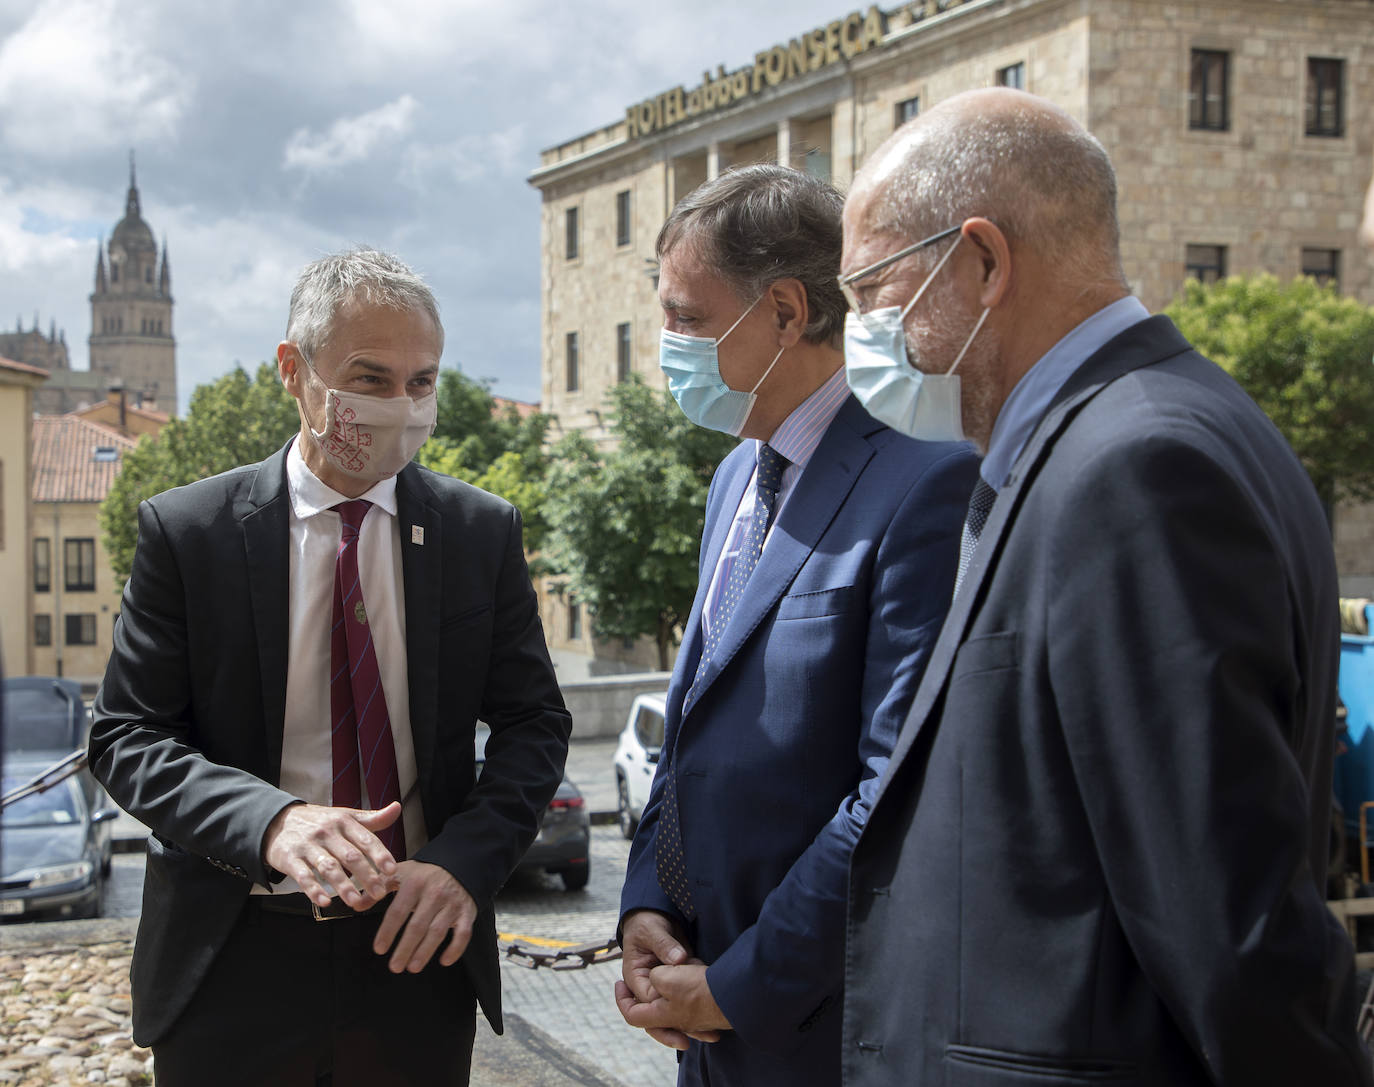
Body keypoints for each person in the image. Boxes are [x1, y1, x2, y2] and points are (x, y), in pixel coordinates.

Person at [838, 88, 1372, 1084]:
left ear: (985, 261)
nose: (862, 334)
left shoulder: (1136, 468)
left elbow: (1229, 921)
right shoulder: (1120, 434)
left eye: (870, 290)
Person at [89, 247, 571, 1086]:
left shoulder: (478, 531)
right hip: (231, 956)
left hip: (416, 956)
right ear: (293, 369)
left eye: (422, 382)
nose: (400, 406)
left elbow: (534, 724)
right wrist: (273, 822)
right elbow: (127, 736)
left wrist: (464, 863)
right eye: (370, 377)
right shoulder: (189, 532)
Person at [614, 164, 979, 1085]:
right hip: (706, 1028)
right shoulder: (736, 476)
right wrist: (647, 904)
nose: (666, 346)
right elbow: (692, 720)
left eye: (686, 319)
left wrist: (738, 985)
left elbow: (893, 791)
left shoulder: (924, 480)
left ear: (783, 311)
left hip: (821, 1036)